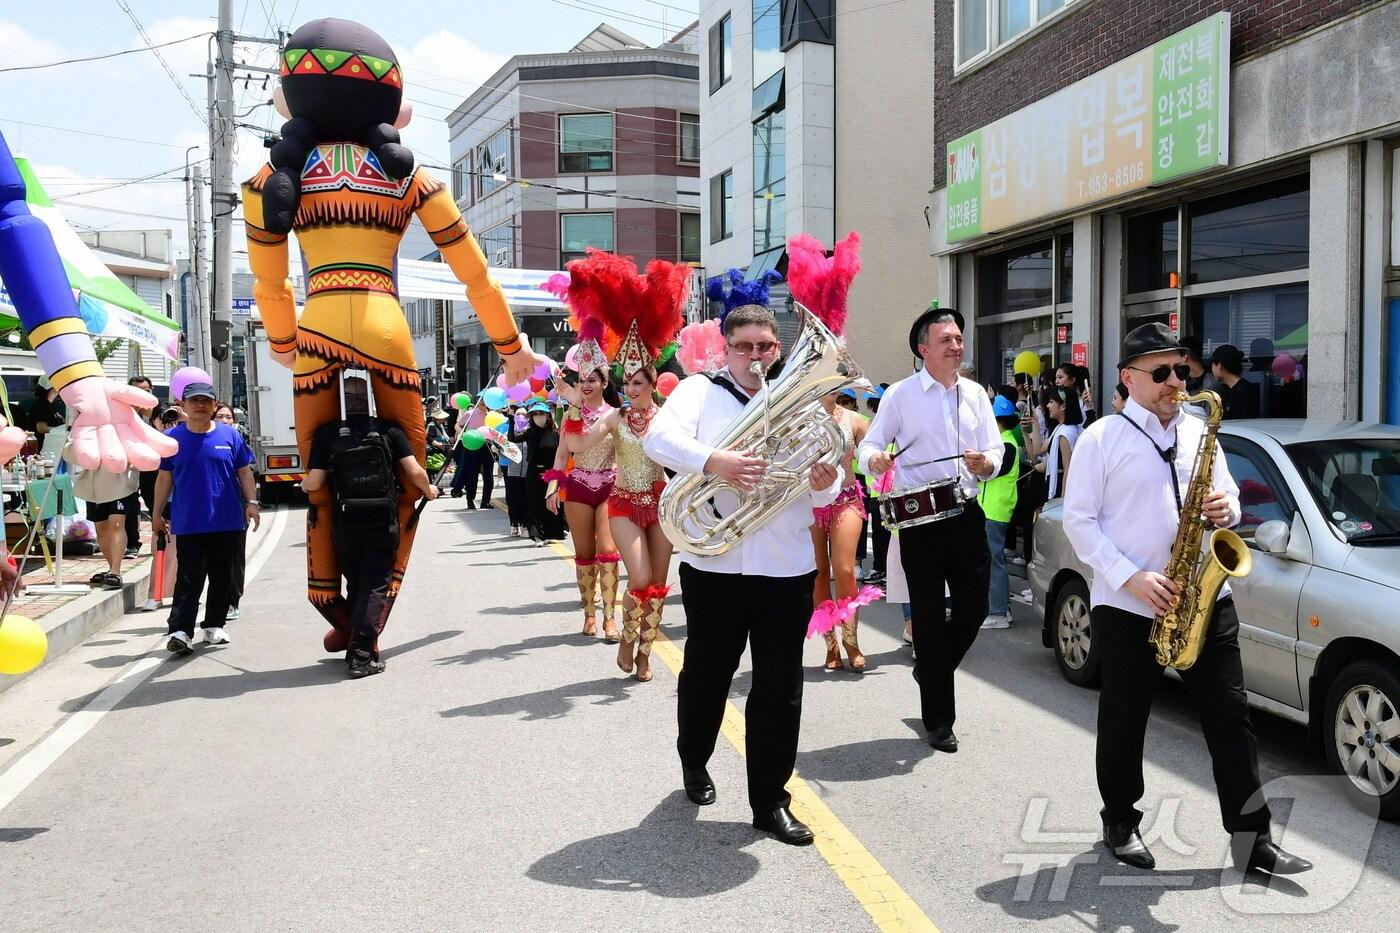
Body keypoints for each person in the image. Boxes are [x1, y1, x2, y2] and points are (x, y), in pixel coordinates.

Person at [1062, 322, 1312, 876]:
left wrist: (1229, 509)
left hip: (1200, 596)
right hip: (1129, 603)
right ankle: (1120, 822)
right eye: (1161, 372)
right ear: (1129, 378)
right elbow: (1080, 523)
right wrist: (1132, 578)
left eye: (1181, 369)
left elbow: (1229, 499)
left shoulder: (1202, 432)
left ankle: (1253, 841)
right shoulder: (1102, 438)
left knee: (1231, 716)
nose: (1176, 380)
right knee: (1125, 717)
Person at [644, 300, 843, 846]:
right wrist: (716, 462)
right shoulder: (698, 392)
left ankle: (770, 802)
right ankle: (694, 758)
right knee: (707, 676)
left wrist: (825, 477)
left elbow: (827, 487)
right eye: (744, 347)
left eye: (765, 346)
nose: (755, 356)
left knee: (780, 689)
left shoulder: (802, 404)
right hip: (716, 567)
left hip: (786, 569)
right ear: (725, 350)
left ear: (778, 349)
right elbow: (656, 440)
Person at [858, 306, 1001, 753]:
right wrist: (876, 460)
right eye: (947, 340)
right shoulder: (901, 395)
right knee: (927, 615)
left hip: (966, 512)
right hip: (919, 520)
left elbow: (994, 448)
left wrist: (988, 462)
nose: (956, 346)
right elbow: (870, 445)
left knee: (975, 607)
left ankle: (931, 670)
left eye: (959, 339)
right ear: (924, 349)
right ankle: (938, 719)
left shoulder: (976, 394)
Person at [551, 250, 687, 681]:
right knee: (640, 574)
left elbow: (687, 455)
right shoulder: (615, 417)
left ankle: (642, 652)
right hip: (624, 502)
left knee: (659, 584)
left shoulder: (669, 418)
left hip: (661, 502)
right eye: (626, 381)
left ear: (650, 383)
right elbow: (576, 442)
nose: (630, 387)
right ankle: (625, 634)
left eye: (637, 381)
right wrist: (573, 405)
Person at [301, 373, 438, 677]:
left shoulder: (327, 434)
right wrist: (429, 491)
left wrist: (303, 486)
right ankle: (362, 655)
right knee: (375, 585)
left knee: (357, 583)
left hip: (345, 523)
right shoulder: (389, 430)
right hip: (381, 521)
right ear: (370, 400)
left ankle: (356, 642)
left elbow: (316, 481)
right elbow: (414, 471)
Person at [152, 382, 259, 656]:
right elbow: (164, 479)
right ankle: (180, 631)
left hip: (228, 520)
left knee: (222, 576)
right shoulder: (173, 440)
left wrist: (252, 503)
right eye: (194, 400)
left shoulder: (230, 436)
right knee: (189, 577)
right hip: (189, 521)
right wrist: (156, 514)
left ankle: (213, 624)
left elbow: (244, 472)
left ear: (214, 405)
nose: (200, 405)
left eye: (206, 401)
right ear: (184, 405)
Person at [548, 352, 623, 641]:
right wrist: (552, 488)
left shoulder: (616, 414)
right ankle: (589, 614)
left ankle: (610, 618)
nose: (587, 385)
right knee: (584, 554)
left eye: (592, 380)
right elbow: (562, 454)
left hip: (610, 486)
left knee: (607, 551)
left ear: (604, 382)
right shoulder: (570, 414)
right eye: (582, 380)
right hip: (578, 486)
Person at [978, 396, 1021, 630]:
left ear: (998, 422)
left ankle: (998, 611)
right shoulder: (1004, 443)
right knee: (993, 559)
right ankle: (1000, 608)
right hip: (991, 508)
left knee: (994, 561)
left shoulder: (1006, 446)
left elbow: (989, 474)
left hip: (994, 510)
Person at [71, 452, 139, 591]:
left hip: (121, 483)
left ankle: (115, 571)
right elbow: (72, 452)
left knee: (116, 524)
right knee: (101, 527)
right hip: (93, 485)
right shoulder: (85, 430)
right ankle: (111, 569)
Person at [213, 402, 245, 622]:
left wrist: (251, 503)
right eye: (220, 416)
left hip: (234, 506)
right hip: (206, 510)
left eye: (228, 417)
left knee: (234, 558)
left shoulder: (236, 441)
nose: (224, 420)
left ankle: (232, 601)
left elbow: (246, 474)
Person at [1028, 385, 1083, 501]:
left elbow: (1068, 467)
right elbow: (1038, 449)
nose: (1048, 406)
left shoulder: (1066, 433)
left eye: (1051, 402)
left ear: (1063, 406)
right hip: (1053, 481)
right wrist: (1035, 423)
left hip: (1058, 484)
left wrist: (1063, 499)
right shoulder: (1060, 428)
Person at [124, 376, 158, 558]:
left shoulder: (157, 411)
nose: (141, 395)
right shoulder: (123, 412)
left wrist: (149, 414)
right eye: (136, 391)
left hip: (151, 466)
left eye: (146, 391)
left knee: (154, 501)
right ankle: (132, 544)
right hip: (128, 465)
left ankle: (159, 537)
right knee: (130, 505)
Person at [523, 401, 566, 544]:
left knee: (553, 503)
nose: (538, 416)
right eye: (535, 414)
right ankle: (537, 535)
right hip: (534, 472)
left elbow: (563, 453)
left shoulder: (555, 434)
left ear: (548, 416)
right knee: (535, 504)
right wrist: (512, 420)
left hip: (552, 473)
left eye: (541, 413)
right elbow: (513, 438)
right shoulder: (529, 433)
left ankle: (552, 533)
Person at [501, 407, 531, 537]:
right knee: (513, 500)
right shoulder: (510, 432)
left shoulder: (531, 432)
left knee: (527, 499)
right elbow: (505, 454)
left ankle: (526, 524)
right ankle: (514, 523)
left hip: (528, 472)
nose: (521, 417)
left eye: (524, 414)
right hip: (513, 472)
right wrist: (499, 450)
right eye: (518, 414)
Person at [1210, 344, 1259, 420]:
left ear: (1219, 365)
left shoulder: (1243, 391)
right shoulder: (1228, 390)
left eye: (1213, 365)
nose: (1212, 369)